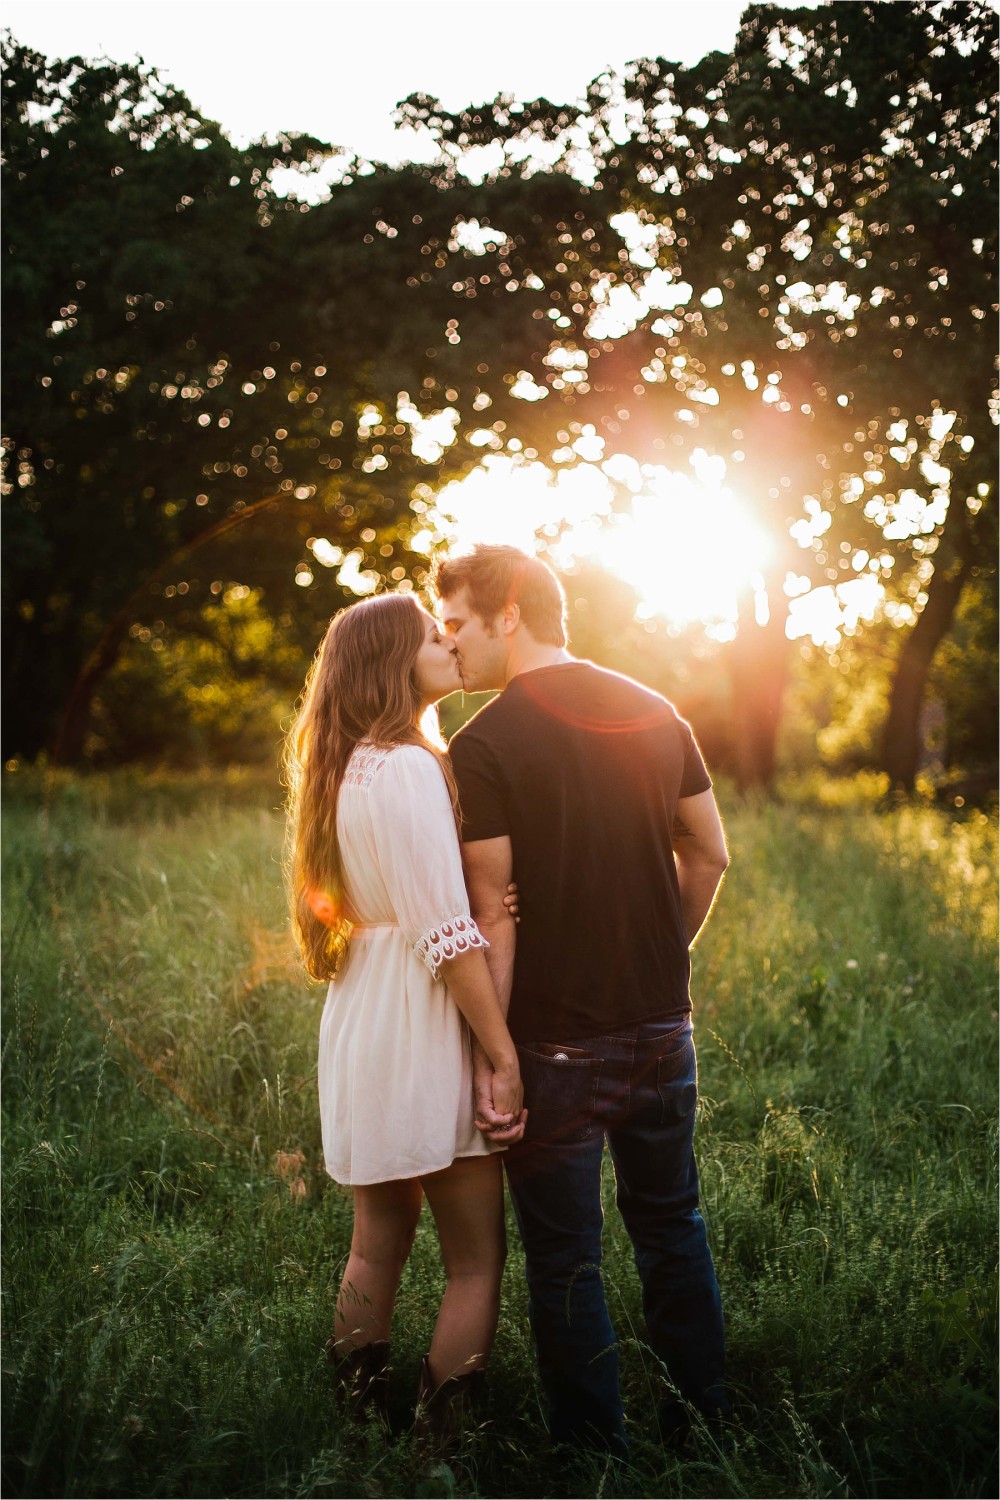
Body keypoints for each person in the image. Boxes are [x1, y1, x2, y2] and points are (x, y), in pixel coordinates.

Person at [433, 543, 731, 1457]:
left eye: (458, 623)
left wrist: (497, 1058)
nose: (451, 644)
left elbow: (492, 909)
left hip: (553, 1042)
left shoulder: (483, 745)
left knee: (566, 1257)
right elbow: (710, 853)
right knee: (673, 1225)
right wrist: (659, 955)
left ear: (509, 613)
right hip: (663, 1025)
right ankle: (704, 1428)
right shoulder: (656, 710)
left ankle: (592, 1457)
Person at [283, 591, 525, 1436]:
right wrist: (501, 1053)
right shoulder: (413, 767)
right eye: (432, 636)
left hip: (363, 1018)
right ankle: (438, 1452)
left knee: (375, 1243)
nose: (450, 643)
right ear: (394, 663)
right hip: (423, 1022)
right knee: (476, 1261)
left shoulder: (343, 766)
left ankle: (355, 1431)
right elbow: (445, 936)